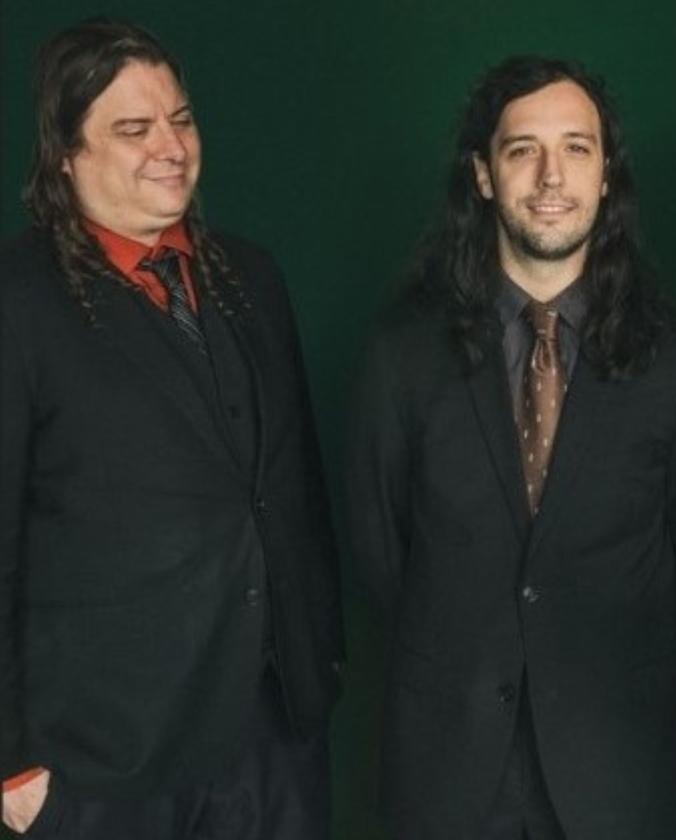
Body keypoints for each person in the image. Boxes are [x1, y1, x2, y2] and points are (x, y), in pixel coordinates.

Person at [346, 56, 676, 840]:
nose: (550, 176)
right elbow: (378, 553)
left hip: (614, 763)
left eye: (577, 148)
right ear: (485, 175)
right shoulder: (401, 356)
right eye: (523, 149)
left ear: (606, 177)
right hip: (446, 770)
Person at [0, 19, 344, 840]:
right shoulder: (17, 303)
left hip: (274, 736)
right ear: (67, 154)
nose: (171, 145)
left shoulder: (251, 275)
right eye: (133, 128)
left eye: (180, 120)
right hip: (102, 760)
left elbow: (291, 485)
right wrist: (10, 758)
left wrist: (318, 656)